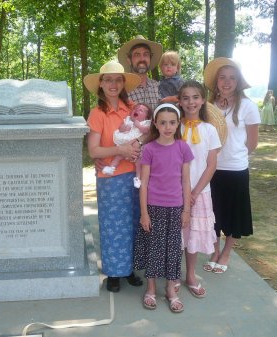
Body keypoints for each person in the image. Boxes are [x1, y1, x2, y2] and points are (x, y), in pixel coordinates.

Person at [84, 60, 144, 292]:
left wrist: (136, 147)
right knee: (112, 226)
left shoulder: (132, 107)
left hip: (133, 176)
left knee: (131, 224)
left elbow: (143, 134)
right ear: (101, 83)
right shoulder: (98, 113)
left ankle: (128, 269)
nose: (113, 84)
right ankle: (113, 273)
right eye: (108, 79)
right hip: (110, 180)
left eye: (118, 79)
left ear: (123, 83)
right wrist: (121, 150)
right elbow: (94, 150)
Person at [134, 103, 193, 313]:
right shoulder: (149, 149)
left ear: (178, 124)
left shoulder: (183, 147)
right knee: (154, 248)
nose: (167, 127)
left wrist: (186, 210)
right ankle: (150, 287)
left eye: (172, 122)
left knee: (173, 250)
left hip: (176, 207)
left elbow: (186, 182)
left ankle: (170, 289)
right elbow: (144, 183)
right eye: (163, 123)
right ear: (156, 125)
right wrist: (144, 213)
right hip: (154, 207)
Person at [203, 57, 260, 274]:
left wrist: (234, 154)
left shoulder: (248, 106)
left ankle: (226, 253)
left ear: (238, 81)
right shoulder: (207, 107)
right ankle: (215, 250)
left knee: (235, 214)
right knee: (213, 214)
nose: (227, 82)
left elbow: (252, 143)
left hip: (236, 169)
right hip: (212, 169)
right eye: (222, 77)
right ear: (216, 81)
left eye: (232, 78)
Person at [178, 81, 221, 298]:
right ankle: (173, 274)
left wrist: (194, 192)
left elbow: (211, 164)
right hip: (175, 192)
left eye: (195, 97)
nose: (190, 102)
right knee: (176, 235)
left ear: (203, 100)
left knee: (192, 235)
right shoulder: (174, 127)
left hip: (200, 193)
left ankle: (191, 274)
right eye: (185, 97)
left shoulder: (210, 130)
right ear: (180, 101)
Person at [102, 103, 152, 189]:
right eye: (135, 108)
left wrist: (139, 126)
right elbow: (120, 128)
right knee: (117, 157)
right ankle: (111, 168)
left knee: (139, 163)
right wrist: (123, 128)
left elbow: (147, 132)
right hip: (124, 145)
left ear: (146, 117)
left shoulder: (146, 123)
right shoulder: (128, 120)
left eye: (141, 110)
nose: (137, 110)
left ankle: (137, 178)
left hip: (137, 149)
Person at [118, 35, 163, 110]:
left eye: (146, 54)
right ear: (129, 60)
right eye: (137, 55)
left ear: (150, 59)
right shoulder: (122, 90)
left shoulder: (158, 87)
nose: (142, 59)